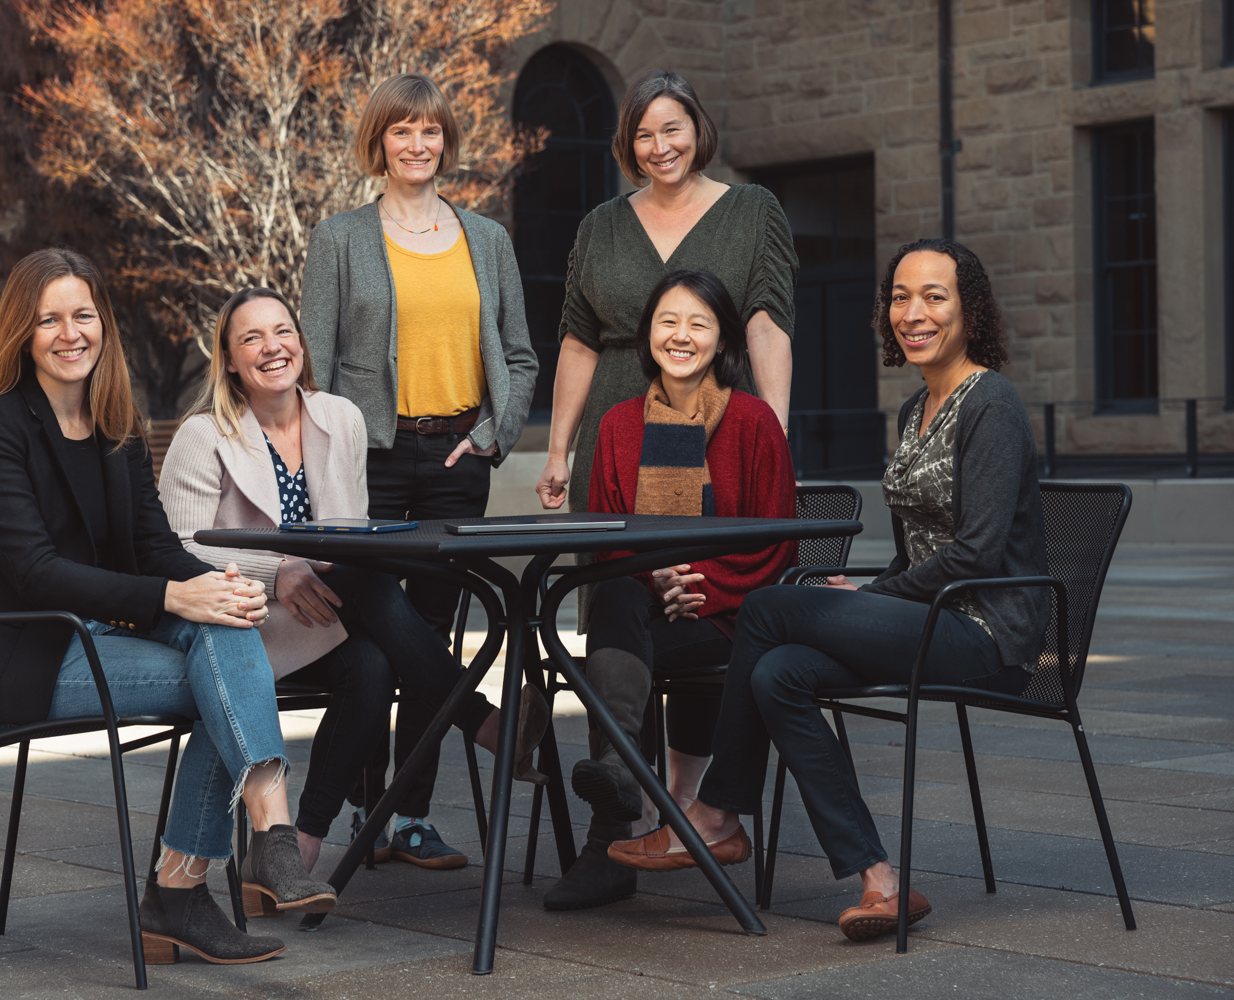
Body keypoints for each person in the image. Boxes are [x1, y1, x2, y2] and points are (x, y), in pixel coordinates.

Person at [608, 239, 1048, 944]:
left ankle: (717, 814)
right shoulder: (916, 411)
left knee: (764, 607)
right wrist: (868, 592)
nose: (914, 312)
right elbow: (918, 550)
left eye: (934, 296)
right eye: (900, 297)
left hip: (988, 631)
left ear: (970, 310)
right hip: (926, 618)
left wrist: (879, 596)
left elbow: (976, 552)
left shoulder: (989, 402)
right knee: (780, 673)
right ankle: (880, 881)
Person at [0, 248, 338, 966]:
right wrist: (172, 596)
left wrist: (212, 585)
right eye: (50, 320)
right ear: (22, 333)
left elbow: (156, 548)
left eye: (84, 316)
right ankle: (205, 874)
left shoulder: (114, 425)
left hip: (103, 630)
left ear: (104, 325)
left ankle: (242, 853)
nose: (71, 334)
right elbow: (36, 573)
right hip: (22, 655)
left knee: (226, 626)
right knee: (223, 671)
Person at [159, 286, 547, 876]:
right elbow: (179, 552)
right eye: (251, 339)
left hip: (319, 617)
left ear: (301, 341)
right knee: (366, 583)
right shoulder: (202, 435)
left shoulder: (340, 419)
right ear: (230, 361)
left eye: (283, 331)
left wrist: (313, 570)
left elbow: (352, 533)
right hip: (239, 629)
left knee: (370, 659)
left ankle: (300, 849)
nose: (272, 347)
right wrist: (276, 572)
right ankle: (484, 721)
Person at [301, 72, 539, 864]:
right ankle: (474, 725)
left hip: (456, 456)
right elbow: (317, 366)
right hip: (368, 454)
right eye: (401, 131)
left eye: (430, 131)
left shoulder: (488, 239)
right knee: (373, 614)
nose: (417, 144)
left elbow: (517, 353)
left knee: (431, 629)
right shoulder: (339, 238)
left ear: (446, 140)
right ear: (380, 142)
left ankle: (403, 819)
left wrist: (495, 433)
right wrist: (327, 453)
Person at [543, 270, 797, 911]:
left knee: (612, 627)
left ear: (722, 339)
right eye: (667, 321)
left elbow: (778, 542)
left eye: (698, 323)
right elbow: (608, 540)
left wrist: (700, 584)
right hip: (643, 614)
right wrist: (654, 578)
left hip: (725, 620)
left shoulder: (753, 420)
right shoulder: (619, 425)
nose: (680, 336)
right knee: (620, 596)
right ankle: (625, 787)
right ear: (646, 332)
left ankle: (608, 843)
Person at [535, 69, 798, 518]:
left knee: (716, 571)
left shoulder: (753, 211)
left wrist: (775, 440)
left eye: (672, 129)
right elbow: (579, 344)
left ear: (697, 127)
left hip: (721, 425)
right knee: (616, 577)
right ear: (628, 146)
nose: (660, 148)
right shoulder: (599, 226)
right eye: (643, 136)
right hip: (614, 426)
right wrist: (558, 450)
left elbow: (767, 331)